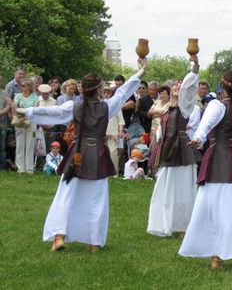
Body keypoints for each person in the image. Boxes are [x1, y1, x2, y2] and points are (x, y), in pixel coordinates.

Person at [16, 58, 147, 252]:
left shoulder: (74, 106)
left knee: (66, 195)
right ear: (98, 89)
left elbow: (54, 112)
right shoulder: (107, 106)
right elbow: (122, 93)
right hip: (97, 155)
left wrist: (26, 111)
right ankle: (93, 241)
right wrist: (140, 72)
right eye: (102, 86)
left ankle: (59, 236)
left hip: (77, 154)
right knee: (96, 198)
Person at [179, 49, 232, 276]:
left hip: (218, 158)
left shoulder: (217, 105)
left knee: (227, 209)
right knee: (211, 207)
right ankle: (217, 255)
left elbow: (205, 126)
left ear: (221, 85)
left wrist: (197, 139)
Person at [147, 55, 201, 237]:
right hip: (167, 150)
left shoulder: (185, 106)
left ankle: (185, 227)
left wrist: (195, 66)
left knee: (184, 190)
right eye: (175, 85)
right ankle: (164, 224)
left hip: (182, 150)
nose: (179, 87)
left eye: (180, 85)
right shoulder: (165, 109)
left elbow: (189, 87)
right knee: (164, 188)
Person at [13, 78, 39, 174]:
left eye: (23, 85)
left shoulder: (35, 97)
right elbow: (15, 108)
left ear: (29, 87)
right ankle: (20, 169)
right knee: (20, 145)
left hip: (31, 122)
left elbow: (35, 110)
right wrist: (20, 117)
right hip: (19, 122)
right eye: (21, 85)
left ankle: (29, 169)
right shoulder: (17, 96)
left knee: (30, 145)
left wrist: (25, 117)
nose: (21, 87)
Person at [103, 86, 125, 176]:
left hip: (112, 135)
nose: (106, 94)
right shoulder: (98, 104)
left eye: (108, 92)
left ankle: (113, 173)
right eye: (104, 92)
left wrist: (120, 131)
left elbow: (121, 120)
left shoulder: (116, 105)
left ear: (111, 94)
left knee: (112, 152)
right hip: (100, 135)